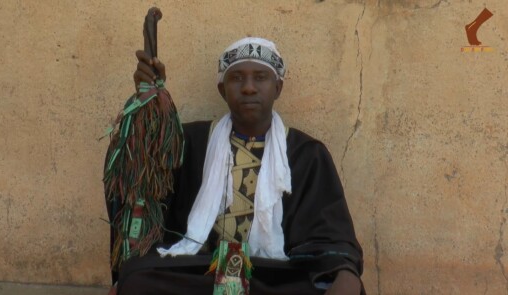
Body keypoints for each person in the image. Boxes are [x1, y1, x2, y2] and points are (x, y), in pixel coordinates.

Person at [106, 37, 365, 295]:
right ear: (222, 89)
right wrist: (149, 101)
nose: (249, 88)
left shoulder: (306, 153)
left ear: (278, 87)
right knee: (137, 282)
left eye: (261, 77)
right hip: (201, 273)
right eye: (237, 77)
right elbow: (139, 169)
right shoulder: (190, 142)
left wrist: (345, 272)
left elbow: (332, 236)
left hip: (273, 278)